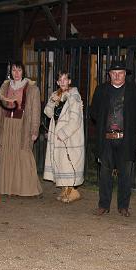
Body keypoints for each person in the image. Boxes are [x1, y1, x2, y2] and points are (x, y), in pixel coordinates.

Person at [90, 59, 136, 217]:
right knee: (105, 173)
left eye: (120, 73)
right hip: (106, 138)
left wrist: (130, 128)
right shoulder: (101, 90)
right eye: (114, 73)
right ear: (109, 74)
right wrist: (104, 124)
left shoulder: (134, 90)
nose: (117, 76)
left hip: (126, 139)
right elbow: (94, 111)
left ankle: (123, 206)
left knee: (125, 175)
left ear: (125, 74)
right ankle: (103, 205)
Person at [0, 61, 42, 197]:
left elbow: (36, 111)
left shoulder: (32, 88)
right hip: (7, 124)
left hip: (23, 125)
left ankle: (29, 189)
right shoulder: (5, 87)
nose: (16, 73)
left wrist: (34, 130)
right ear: (11, 72)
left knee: (24, 155)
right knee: (8, 155)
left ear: (23, 72)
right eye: (14, 70)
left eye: (19, 70)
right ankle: (9, 188)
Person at [43, 71, 85, 203]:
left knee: (70, 162)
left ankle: (73, 191)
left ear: (69, 81)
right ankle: (65, 189)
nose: (62, 82)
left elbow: (75, 119)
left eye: (65, 79)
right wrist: (52, 101)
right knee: (61, 162)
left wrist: (64, 133)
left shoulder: (74, 96)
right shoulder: (56, 95)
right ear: (57, 82)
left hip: (70, 136)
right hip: (57, 134)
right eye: (60, 80)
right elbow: (48, 113)